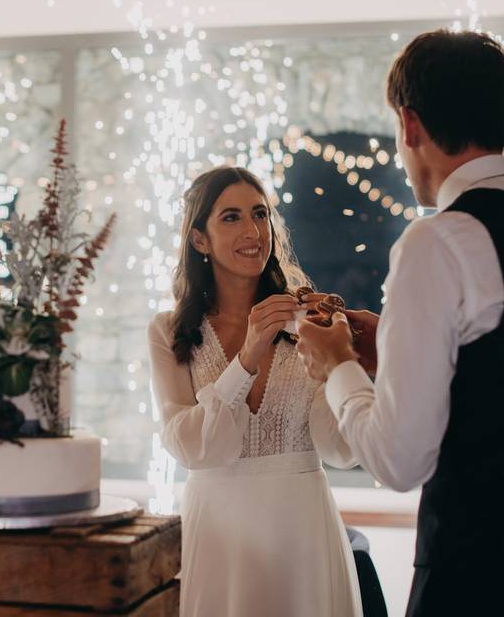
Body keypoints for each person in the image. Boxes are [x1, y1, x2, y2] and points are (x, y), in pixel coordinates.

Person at [295, 29, 504, 617]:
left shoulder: (437, 243)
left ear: (411, 125)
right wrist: (389, 355)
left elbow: (399, 461)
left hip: (475, 581)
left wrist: (337, 365)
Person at [147, 166, 362, 617]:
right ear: (199, 239)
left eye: (260, 214)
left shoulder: (307, 323)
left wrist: (343, 360)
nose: (252, 230)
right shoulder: (169, 332)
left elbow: (339, 448)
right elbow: (190, 448)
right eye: (230, 217)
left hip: (303, 533)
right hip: (220, 538)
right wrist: (246, 356)